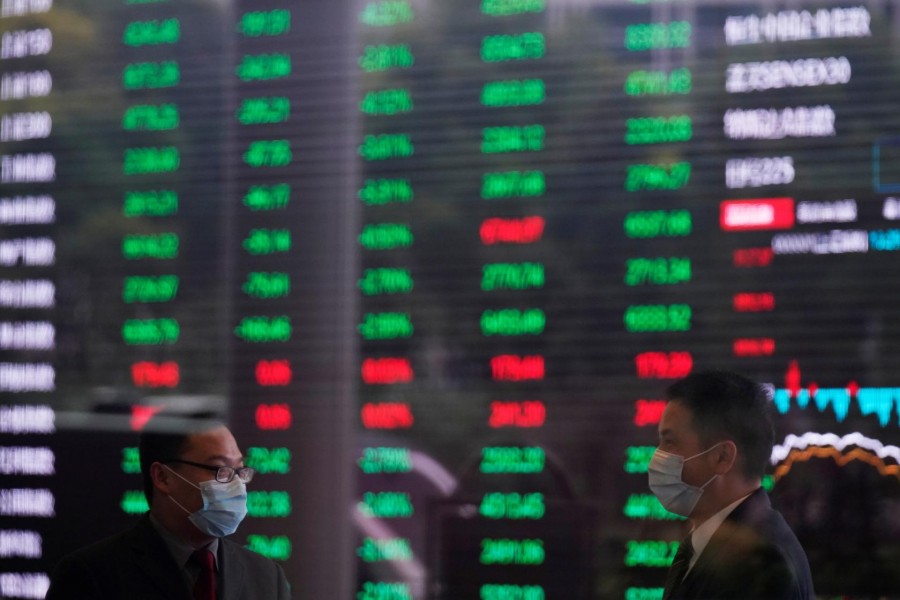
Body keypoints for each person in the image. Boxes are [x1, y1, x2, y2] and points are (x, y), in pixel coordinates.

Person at [46, 413, 291, 599]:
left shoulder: (267, 576)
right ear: (163, 477)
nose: (236, 483)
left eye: (239, 471)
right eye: (221, 470)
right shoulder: (90, 575)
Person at [648, 370, 814, 600]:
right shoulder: (714, 543)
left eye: (670, 442)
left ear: (722, 457)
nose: (657, 457)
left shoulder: (759, 564)